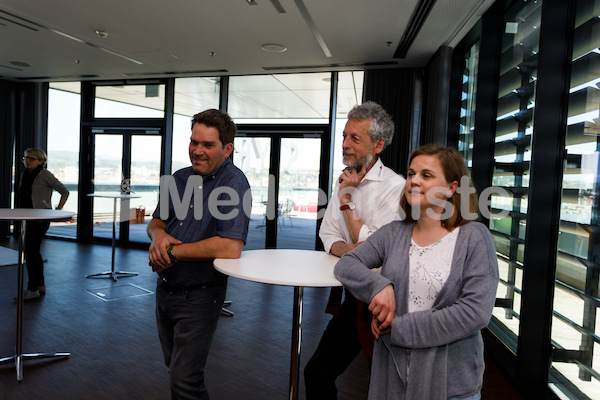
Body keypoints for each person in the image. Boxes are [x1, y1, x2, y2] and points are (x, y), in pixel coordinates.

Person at [334, 144, 499, 400]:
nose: (414, 181)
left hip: (449, 386)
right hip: (393, 379)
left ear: (452, 187)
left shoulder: (474, 238)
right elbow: (346, 264)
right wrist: (379, 286)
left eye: (426, 175)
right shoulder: (393, 232)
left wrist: (398, 327)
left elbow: (475, 313)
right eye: (411, 174)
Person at [304, 101, 405, 399]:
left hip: (386, 304)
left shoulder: (395, 188)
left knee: (383, 386)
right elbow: (328, 235)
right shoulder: (345, 179)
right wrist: (355, 251)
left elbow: (378, 248)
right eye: (344, 136)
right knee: (317, 374)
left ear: (378, 144)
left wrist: (347, 200)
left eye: (354, 138)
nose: (345, 144)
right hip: (354, 298)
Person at [147, 109, 251, 400]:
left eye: (207, 145)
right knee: (177, 371)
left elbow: (231, 246)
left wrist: (172, 251)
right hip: (165, 290)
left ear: (227, 149)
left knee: (185, 380)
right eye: (194, 142)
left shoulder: (234, 184)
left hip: (200, 295)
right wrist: (159, 237)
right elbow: (157, 222)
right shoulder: (179, 178)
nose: (197, 151)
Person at [18, 148, 69, 301]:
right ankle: (39, 285)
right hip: (28, 218)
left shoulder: (44, 174)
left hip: (40, 219)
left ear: (41, 161)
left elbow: (64, 191)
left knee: (31, 252)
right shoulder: (25, 174)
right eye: (26, 158)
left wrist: (57, 211)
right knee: (33, 252)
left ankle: (32, 288)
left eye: (31, 158)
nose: (27, 161)